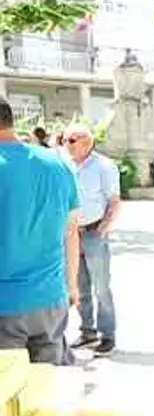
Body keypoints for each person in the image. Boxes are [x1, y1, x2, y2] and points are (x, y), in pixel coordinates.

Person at [0, 97, 81, 365]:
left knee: (9, 388)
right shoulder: (58, 165)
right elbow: (72, 232)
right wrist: (72, 285)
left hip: (5, 307)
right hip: (50, 300)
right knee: (46, 385)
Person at [66, 124, 121, 356]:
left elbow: (114, 201)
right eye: (64, 140)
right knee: (80, 287)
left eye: (71, 140)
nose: (67, 145)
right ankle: (87, 332)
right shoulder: (67, 165)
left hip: (93, 232)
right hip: (72, 234)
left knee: (101, 287)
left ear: (87, 142)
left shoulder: (104, 166)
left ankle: (107, 335)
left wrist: (103, 228)